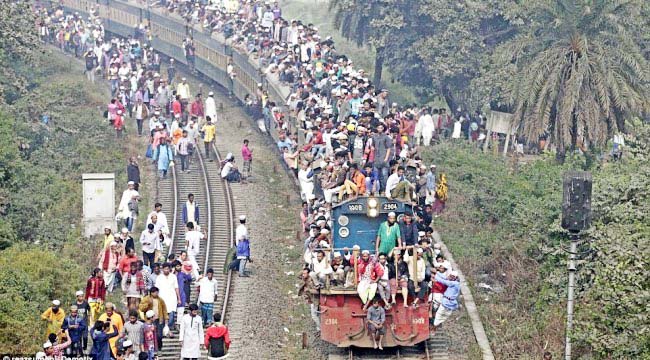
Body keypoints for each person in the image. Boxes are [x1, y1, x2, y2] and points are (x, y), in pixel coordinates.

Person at [431, 270, 460, 335]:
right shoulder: (452, 281)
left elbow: (444, 281)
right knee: (439, 314)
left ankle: (435, 325)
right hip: (445, 302)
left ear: (455, 278)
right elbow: (445, 278)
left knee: (445, 315)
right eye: (450, 276)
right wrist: (437, 272)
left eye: (452, 276)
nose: (450, 277)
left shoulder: (454, 283)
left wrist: (435, 276)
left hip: (450, 303)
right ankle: (434, 326)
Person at [155, 263, 180, 328]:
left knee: (171, 314)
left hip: (172, 298)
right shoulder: (159, 277)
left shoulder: (173, 276)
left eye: (167, 269)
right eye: (165, 269)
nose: (166, 270)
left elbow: (176, 287)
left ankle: (168, 327)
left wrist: (179, 298)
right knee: (163, 313)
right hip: (162, 297)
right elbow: (156, 289)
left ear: (170, 269)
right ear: (162, 269)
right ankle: (165, 328)